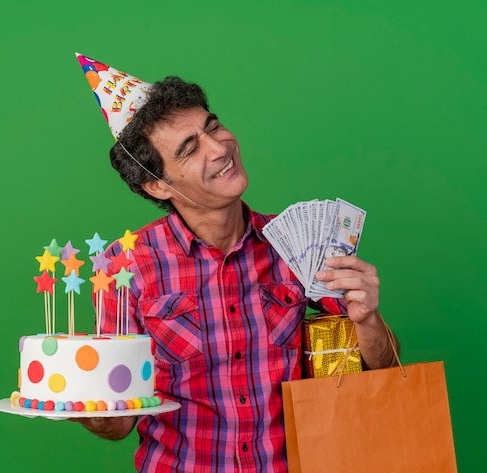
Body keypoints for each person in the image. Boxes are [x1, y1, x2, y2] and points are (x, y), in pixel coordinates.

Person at [73, 57, 398, 472]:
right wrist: (79, 402)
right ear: (157, 184)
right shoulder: (127, 266)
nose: (220, 147)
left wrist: (368, 319)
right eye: (190, 149)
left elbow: (383, 368)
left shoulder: (295, 244)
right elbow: (118, 424)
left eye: (212, 127)